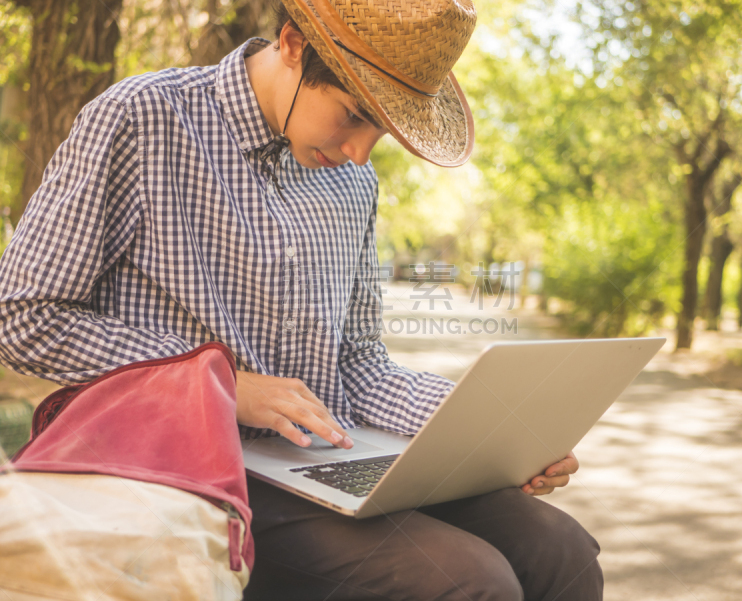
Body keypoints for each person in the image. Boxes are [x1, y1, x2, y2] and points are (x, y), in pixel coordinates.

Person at [0, 0, 603, 598]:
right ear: (292, 45)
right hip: (189, 467)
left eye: (381, 133)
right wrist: (222, 382)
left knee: (560, 550)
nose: (361, 153)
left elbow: (360, 366)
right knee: (470, 579)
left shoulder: (353, 182)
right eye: (352, 115)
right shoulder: (142, 118)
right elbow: (23, 315)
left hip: (323, 463)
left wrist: (497, 433)